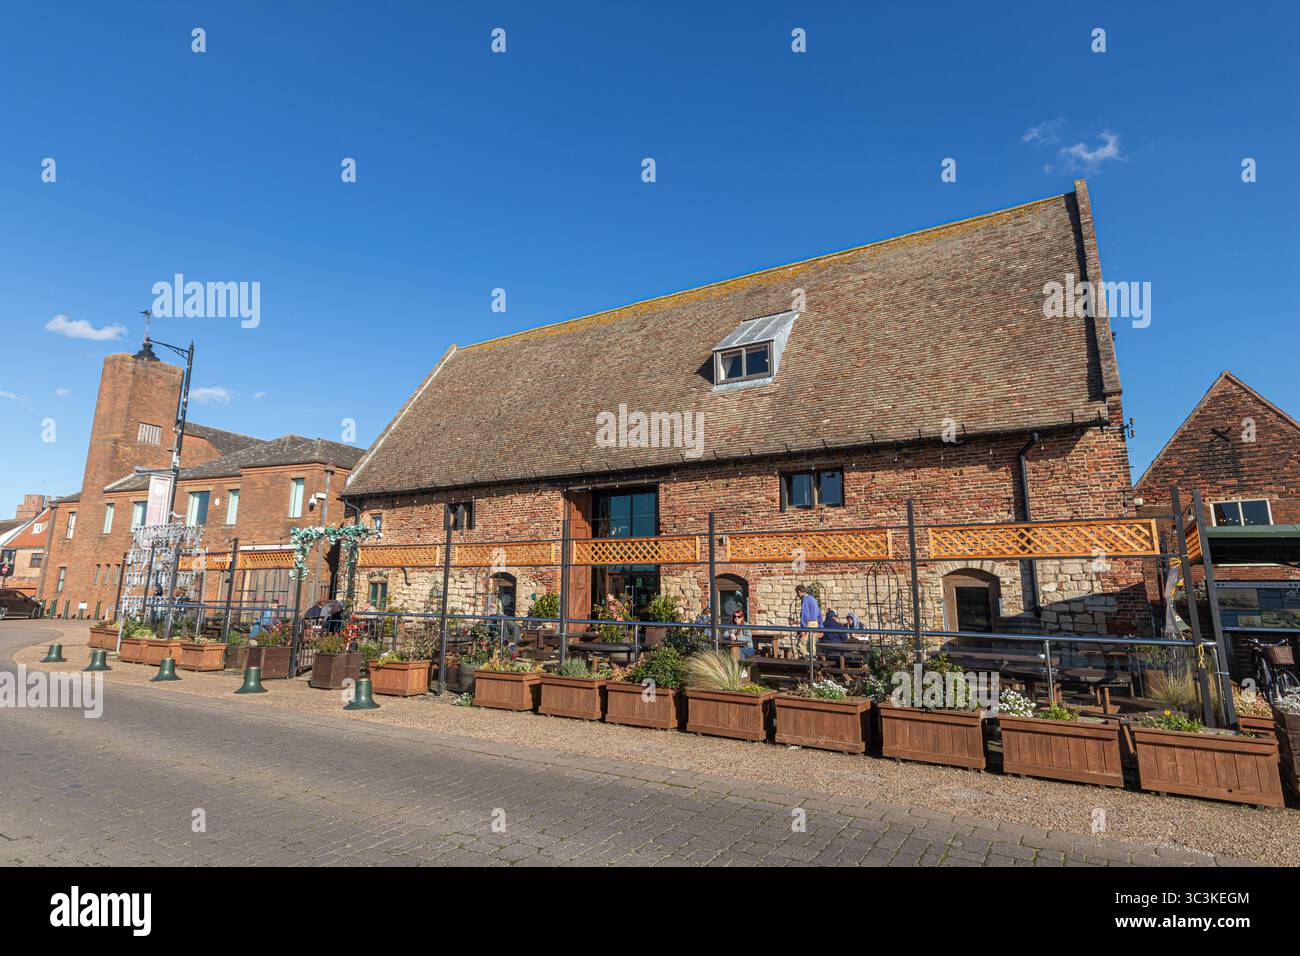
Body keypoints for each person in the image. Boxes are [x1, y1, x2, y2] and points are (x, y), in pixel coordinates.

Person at [794, 585, 822, 657]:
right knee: (811, 645)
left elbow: (805, 615)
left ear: (800, 592)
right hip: (815, 624)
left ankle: (807, 657)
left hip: (809, 624)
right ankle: (813, 660)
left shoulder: (805, 599)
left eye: (797, 593)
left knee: (800, 645)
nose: (797, 595)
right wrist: (821, 627)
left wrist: (803, 628)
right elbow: (819, 613)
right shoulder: (813, 599)